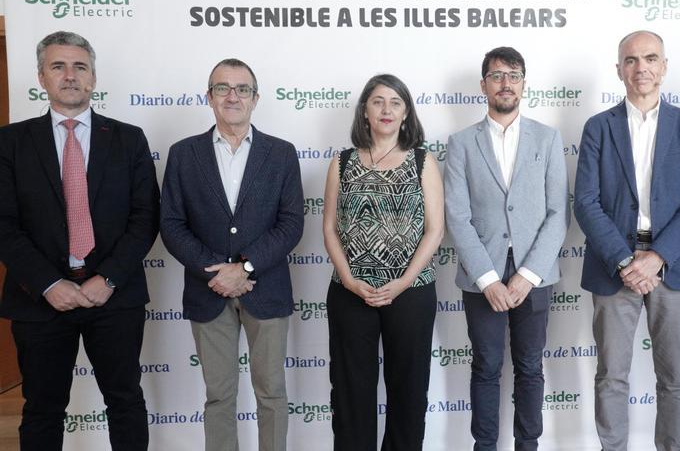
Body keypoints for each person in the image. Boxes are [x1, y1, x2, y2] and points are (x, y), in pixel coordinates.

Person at [0, 31, 160, 451]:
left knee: (125, 401)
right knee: (42, 409)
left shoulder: (129, 139)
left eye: (80, 66)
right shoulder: (10, 142)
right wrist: (50, 284)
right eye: (58, 66)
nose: (70, 76)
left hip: (114, 296)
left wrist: (106, 279)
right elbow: (4, 224)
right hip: (39, 299)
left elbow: (145, 220)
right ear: (41, 77)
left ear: (93, 77)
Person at [574, 30, 680, 451]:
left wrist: (656, 258)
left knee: (674, 379)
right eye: (631, 60)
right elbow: (586, 202)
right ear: (619, 70)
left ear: (664, 66)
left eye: (650, 58)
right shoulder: (598, 127)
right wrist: (623, 260)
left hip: (671, 264)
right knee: (611, 376)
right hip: (613, 263)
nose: (642, 68)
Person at [160, 58, 304, 451]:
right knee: (218, 396)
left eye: (242, 89)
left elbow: (291, 224)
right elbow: (172, 224)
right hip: (209, 292)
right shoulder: (183, 154)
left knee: (271, 393)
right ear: (209, 97)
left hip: (266, 288)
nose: (232, 96)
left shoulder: (281, 153)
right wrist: (217, 273)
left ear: (256, 98)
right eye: (222, 88)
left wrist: (245, 267)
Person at [444, 46, 569, 451]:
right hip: (483, 275)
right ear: (484, 85)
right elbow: (458, 218)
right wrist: (488, 280)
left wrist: (526, 277)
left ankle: (527, 445)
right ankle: (485, 446)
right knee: (486, 367)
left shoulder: (548, 139)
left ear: (524, 84)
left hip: (535, 273)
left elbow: (557, 215)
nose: (506, 83)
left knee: (531, 367)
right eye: (497, 75)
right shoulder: (461, 143)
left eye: (514, 75)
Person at [322, 73, 443, 451]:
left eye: (395, 102)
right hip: (350, 292)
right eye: (378, 101)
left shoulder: (423, 161)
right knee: (350, 392)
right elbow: (328, 227)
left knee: (408, 390)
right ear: (365, 112)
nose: (386, 109)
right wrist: (350, 279)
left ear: (406, 113)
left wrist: (402, 282)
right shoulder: (341, 162)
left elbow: (435, 231)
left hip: (410, 293)